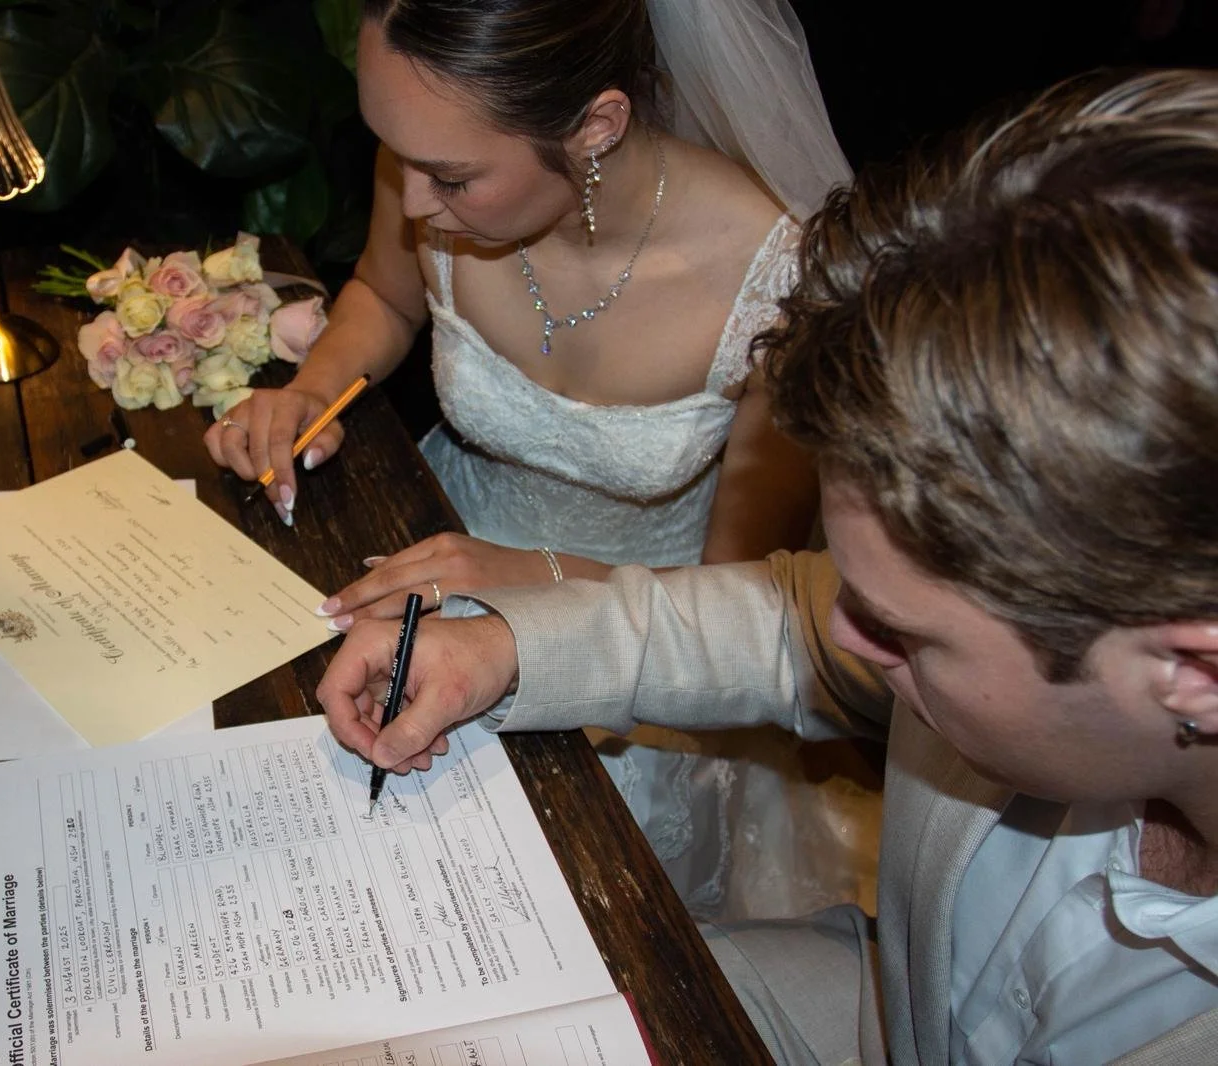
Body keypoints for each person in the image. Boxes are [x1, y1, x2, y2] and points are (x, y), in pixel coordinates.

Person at [316, 68, 1218, 1065]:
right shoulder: (1085, 618)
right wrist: (504, 646)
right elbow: (779, 621)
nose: (841, 638)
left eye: (904, 633)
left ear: (1194, 671)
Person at [204, 0, 870, 919]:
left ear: (596, 125)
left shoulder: (775, 282)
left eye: (450, 178)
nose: (413, 201)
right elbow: (384, 300)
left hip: (645, 639)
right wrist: (315, 391)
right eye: (398, 157)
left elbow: (750, 596)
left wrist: (535, 573)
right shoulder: (429, 148)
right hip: (427, 548)